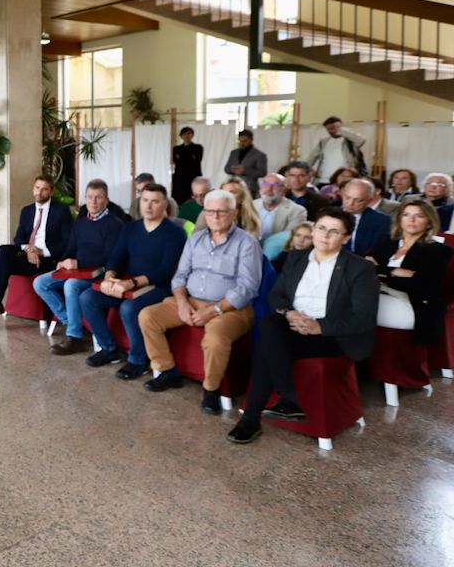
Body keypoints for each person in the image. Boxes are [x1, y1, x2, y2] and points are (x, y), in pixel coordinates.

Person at [226, 208, 379, 444]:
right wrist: (289, 313)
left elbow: (364, 318)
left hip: (333, 337)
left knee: (267, 345)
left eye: (334, 231)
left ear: (346, 238)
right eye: (321, 228)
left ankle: (255, 416)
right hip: (294, 326)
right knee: (269, 324)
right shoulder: (296, 258)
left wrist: (321, 327)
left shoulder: (360, 269)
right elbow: (276, 296)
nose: (325, 235)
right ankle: (287, 399)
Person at [138, 189, 261, 414]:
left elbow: (247, 288)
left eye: (221, 212)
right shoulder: (195, 240)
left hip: (231, 308)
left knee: (215, 338)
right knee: (148, 316)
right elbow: (180, 276)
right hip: (191, 299)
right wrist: (183, 302)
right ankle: (167, 371)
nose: (214, 216)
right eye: (210, 211)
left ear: (234, 213)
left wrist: (214, 310)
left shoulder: (247, 243)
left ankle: (211, 389)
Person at [81, 182, 188, 378]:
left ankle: (138, 360)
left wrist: (133, 283)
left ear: (165, 205)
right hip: (128, 284)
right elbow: (117, 256)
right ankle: (109, 348)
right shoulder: (130, 228)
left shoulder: (174, 233)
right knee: (88, 298)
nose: (148, 206)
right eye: (145, 200)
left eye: (155, 202)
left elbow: (166, 270)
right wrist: (110, 276)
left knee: (129, 308)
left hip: (159, 287)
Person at [0, 175, 73, 333]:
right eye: (37, 188)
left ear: (51, 192)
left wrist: (40, 251)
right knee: (4, 249)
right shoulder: (27, 210)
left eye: (44, 189)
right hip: (28, 255)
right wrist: (29, 249)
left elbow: (67, 242)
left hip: (46, 259)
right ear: (33, 189)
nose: (40, 192)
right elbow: (18, 238)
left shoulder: (61, 211)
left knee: (5, 263)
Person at [37, 179, 126, 355]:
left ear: (106, 200)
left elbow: (110, 256)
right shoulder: (81, 222)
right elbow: (71, 248)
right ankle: (72, 322)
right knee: (40, 283)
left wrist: (78, 263)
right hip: (78, 271)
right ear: (85, 198)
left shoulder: (114, 224)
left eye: (98, 197)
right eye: (90, 197)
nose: (93, 201)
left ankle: (74, 336)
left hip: (101, 272)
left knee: (71, 284)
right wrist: (63, 261)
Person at [370, 198, 452, 347]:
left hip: (414, 304)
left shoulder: (438, 250)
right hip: (379, 295)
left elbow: (421, 285)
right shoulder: (386, 241)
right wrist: (393, 272)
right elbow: (366, 268)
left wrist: (379, 273)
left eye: (419, 216)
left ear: (429, 221)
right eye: (406, 215)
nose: (411, 220)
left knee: (355, 309)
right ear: (400, 218)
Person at [340, 178, 390, 257]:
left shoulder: (381, 221)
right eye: (347, 198)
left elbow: (377, 251)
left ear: (369, 200)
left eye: (358, 200)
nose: (350, 203)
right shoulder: (328, 215)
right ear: (342, 194)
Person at [307, 116, 367, 181]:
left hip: (345, 180)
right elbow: (310, 158)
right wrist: (311, 171)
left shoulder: (350, 141)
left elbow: (362, 140)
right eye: (329, 128)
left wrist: (340, 130)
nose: (332, 130)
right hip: (323, 180)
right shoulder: (323, 142)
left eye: (334, 127)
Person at [254, 172, 306, 239]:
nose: (269, 189)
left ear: (284, 189)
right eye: (265, 184)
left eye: (275, 185)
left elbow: (286, 239)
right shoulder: (251, 205)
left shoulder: (297, 211)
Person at [224, 129, 268, 196]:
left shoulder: (260, 155)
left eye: (245, 141)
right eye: (240, 141)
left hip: (250, 188)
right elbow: (226, 169)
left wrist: (245, 170)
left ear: (251, 140)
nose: (242, 143)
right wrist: (232, 169)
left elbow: (262, 173)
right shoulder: (233, 153)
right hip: (233, 187)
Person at [171, 126, 203, 204]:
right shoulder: (176, 148)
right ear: (181, 136)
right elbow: (176, 161)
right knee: (179, 198)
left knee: (193, 196)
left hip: (193, 176)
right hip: (180, 177)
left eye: (189, 133)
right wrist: (190, 157)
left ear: (192, 135)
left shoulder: (198, 147)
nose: (187, 135)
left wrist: (182, 157)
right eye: (184, 134)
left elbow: (197, 160)